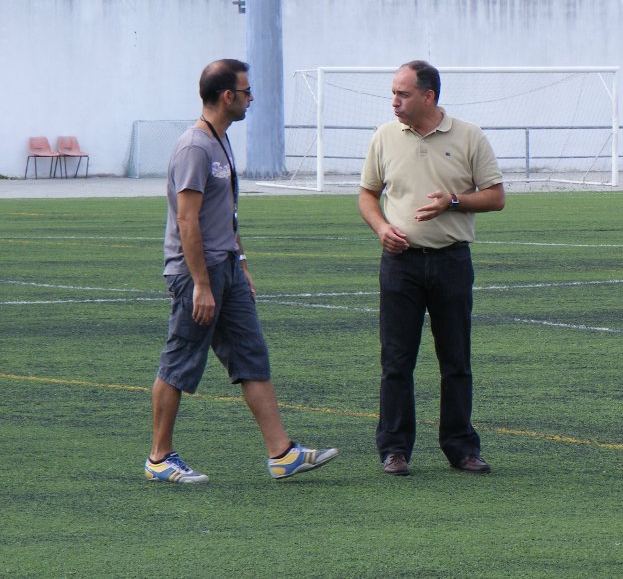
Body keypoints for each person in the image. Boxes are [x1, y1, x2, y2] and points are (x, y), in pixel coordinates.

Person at [146, 59, 338, 484]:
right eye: (247, 92)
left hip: (227, 269)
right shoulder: (195, 147)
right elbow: (187, 220)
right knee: (180, 361)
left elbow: (224, 215)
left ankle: (281, 453)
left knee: (251, 356)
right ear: (227, 96)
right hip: (197, 274)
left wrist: (242, 262)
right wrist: (201, 284)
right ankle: (159, 458)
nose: (252, 99)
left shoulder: (221, 140)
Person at [358, 60, 506, 477]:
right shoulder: (384, 137)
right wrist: (382, 228)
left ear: (428, 96)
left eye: (402, 94)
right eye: (393, 93)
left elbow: (496, 197)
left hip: (451, 262)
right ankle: (394, 449)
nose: (394, 102)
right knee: (396, 361)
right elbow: (367, 195)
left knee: (455, 360)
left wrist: (453, 201)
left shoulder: (469, 136)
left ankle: (461, 448)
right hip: (400, 265)